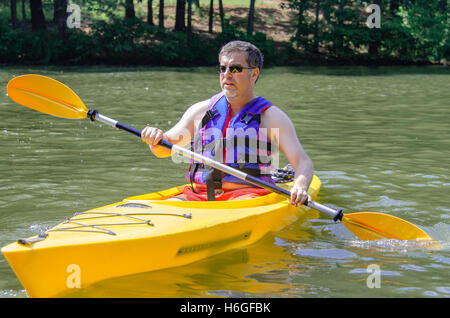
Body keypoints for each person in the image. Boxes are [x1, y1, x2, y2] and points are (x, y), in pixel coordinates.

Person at [141, 40, 313, 206]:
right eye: (222, 68)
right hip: (198, 195)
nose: (227, 74)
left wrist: (300, 185)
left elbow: (302, 162)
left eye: (235, 68)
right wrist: (156, 139)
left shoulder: (271, 117)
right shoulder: (200, 111)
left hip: (248, 196)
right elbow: (164, 148)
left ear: (254, 74)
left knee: (243, 203)